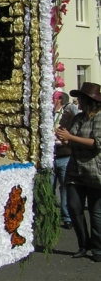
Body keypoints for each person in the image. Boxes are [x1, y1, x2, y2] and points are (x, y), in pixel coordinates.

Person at [56, 82, 101, 262]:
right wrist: (64, 138)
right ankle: (84, 244)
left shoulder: (98, 118)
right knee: (75, 208)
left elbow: (97, 143)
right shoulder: (78, 118)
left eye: (80, 98)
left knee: (96, 212)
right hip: (75, 171)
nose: (78, 101)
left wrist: (71, 137)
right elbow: (72, 140)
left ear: (89, 100)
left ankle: (97, 248)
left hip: (94, 171)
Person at [53, 91, 76, 229]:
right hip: (49, 157)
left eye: (53, 98)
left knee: (64, 188)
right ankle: (48, 217)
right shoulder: (44, 115)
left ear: (59, 100)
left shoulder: (69, 116)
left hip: (63, 155)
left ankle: (66, 217)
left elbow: (72, 134)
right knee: (47, 187)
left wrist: (64, 139)